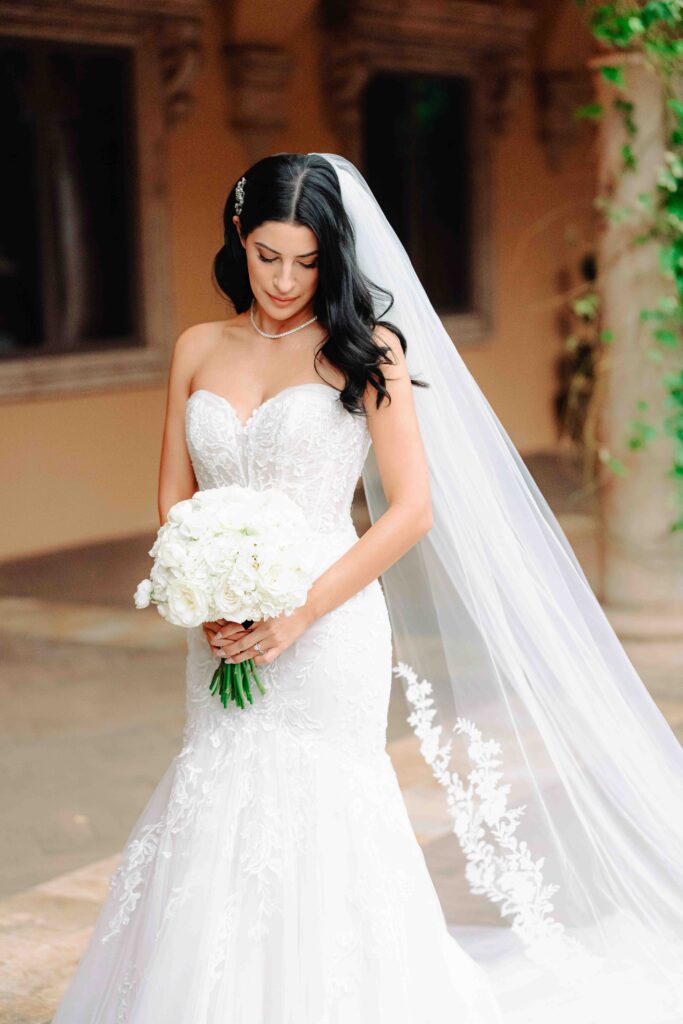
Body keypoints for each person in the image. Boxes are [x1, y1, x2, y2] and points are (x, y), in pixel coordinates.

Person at [50, 153, 683, 1023]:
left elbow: (410, 509)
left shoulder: (367, 348)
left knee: (321, 808)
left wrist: (299, 611)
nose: (284, 280)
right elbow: (173, 493)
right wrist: (205, 596)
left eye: (308, 262)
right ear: (240, 235)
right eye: (269, 255)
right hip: (225, 624)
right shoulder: (198, 346)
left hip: (328, 619)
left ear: (334, 257)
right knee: (219, 786)